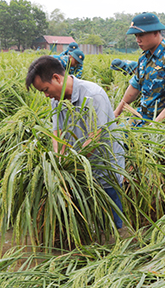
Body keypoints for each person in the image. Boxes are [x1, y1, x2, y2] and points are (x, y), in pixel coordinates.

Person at [26, 56, 126, 228]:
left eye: (46, 89)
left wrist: (71, 164)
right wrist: (59, 165)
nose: (47, 95)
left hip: (105, 171)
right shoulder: (56, 101)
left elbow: (95, 137)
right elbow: (58, 135)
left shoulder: (93, 95)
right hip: (79, 172)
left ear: (57, 78)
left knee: (113, 226)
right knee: (87, 225)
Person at [114, 12, 165, 122]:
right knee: (116, 135)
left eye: (141, 35)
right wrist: (116, 112)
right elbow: (135, 86)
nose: (137, 40)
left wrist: (156, 124)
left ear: (155, 32)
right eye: (136, 36)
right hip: (143, 116)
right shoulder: (144, 58)